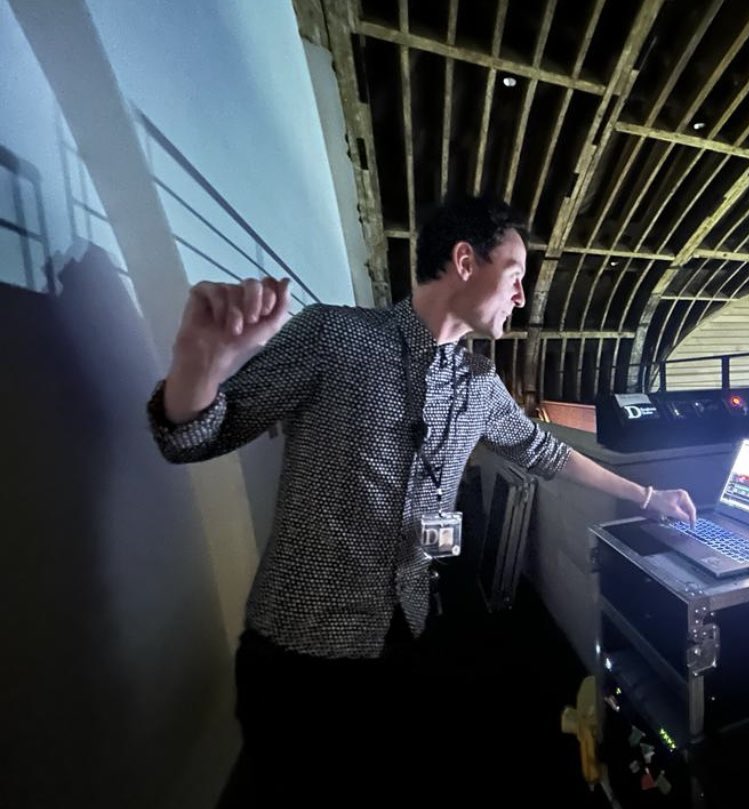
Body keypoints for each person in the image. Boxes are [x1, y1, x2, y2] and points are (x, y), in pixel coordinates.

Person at [147, 196, 696, 803]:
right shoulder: (335, 336)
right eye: (514, 275)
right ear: (465, 261)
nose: (521, 296)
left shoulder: (481, 384)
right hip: (301, 652)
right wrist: (199, 365)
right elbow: (195, 438)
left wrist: (647, 494)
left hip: (410, 635)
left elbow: (546, 452)